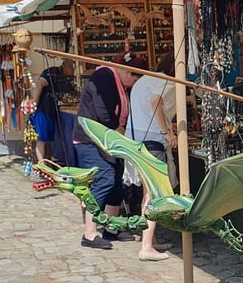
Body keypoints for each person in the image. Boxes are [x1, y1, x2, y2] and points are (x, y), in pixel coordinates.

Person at [72, 62, 137, 249]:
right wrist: (120, 131)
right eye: (134, 80)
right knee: (104, 178)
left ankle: (111, 228)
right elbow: (103, 112)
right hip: (90, 139)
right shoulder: (104, 77)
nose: (132, 85)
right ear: (127, 72)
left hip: (108, 141)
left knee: (116, 180)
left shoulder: (118, 83)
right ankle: (90, 233)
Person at [127, 53, 178, 261]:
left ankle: (150, 239)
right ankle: (146, 246)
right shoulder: (169, 82)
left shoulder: (144, 80)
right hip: (151, 142)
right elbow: (155, 101)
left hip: (135, 139)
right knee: (154, 194)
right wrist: (167, 132)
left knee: (147, 192)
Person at [30, 58, 76, 163]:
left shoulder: (65, 77)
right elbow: (39, 85)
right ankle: (42, 165)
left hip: (52, 111)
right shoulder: (51, 72)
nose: (74, 71)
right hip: (43, 110)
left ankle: (48, 162)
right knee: (42, 139)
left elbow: (71, 91)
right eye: (72, 68)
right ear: (66, 67)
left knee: (48, 139)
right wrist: (34, 104)